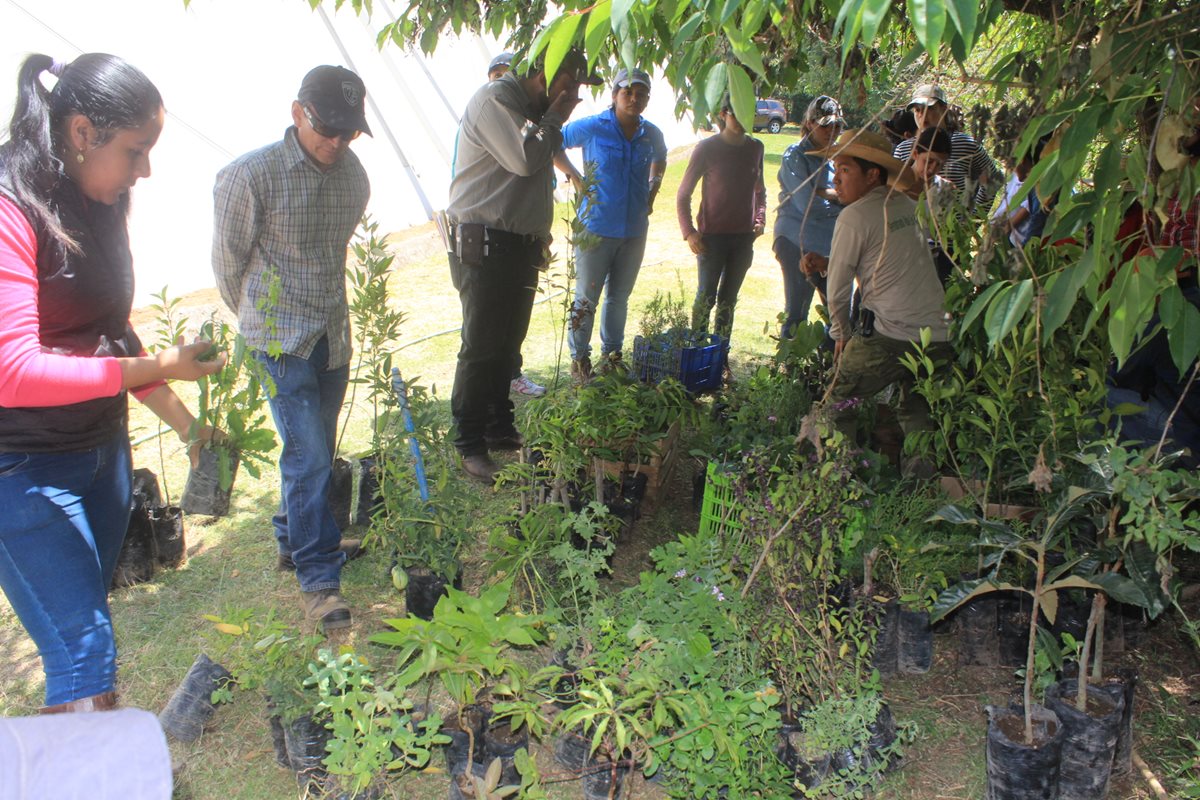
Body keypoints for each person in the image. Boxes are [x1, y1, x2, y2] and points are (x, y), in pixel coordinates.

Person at [0, 53, 223, 712]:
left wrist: (185, 422)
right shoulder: (12, 207)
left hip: (102, 457)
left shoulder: (103, 198)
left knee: (77, 644)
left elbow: (109, 327)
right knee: (87, 655)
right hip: (23, 471)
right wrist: (160, 367)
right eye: (135, 151)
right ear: (78, 134)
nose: (144, 170)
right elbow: (13, 372)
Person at [213, 65, 371, 631]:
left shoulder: (355, 179)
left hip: (331, 334)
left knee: (318, 449)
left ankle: (291, 537)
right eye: (327, 129)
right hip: (278, 341)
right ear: (297, 112)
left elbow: (334, 253)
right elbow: (228, 266)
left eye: (349, 133)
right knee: (306, 454)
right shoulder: (248, 177)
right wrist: (259, 324)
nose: (337, 143)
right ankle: (317, 577)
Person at [447, 49, 598, 482]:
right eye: (567, 85)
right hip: (485, 244)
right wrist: (555, 116)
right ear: (543, 75)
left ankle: (497, 425)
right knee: (481, 347)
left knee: (507, 345)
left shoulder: (531, 111)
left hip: (518, 244)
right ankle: (469, 442)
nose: (572, 95)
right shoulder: (497, 100)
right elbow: (525, 159)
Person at [802, 130, 952, 461]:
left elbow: (838, 289)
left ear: (872, 175)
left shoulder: (853, 216)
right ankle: (919, 490)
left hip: (891, 333)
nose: (837, 179)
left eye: (846, 170)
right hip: (939, 333)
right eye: (836, 170)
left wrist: (840, 334)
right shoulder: (907, 205)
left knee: (834, 402)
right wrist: (827, 263)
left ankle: (838, 481)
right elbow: (888, 259)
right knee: (919, 416)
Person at [555, 67, 668, 381]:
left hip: (634, 231)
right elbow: (553, 141)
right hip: (595, 229)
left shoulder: (651, 133)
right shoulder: (594, 127)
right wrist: (575, 177)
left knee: (619, 297)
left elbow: (661, 156)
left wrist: (654, 187)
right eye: (627, 92)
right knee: (586, 298)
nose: (634, 99)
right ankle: (580, 362)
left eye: (641, 93)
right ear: (614, 94)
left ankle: (612, 357)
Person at [483, 52, 548, 399]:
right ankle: (487, 401)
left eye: (508, 75)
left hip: (521, 237)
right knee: (485, 330)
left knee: (514, 322)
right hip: (487, 238)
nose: (502, 82)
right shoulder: (483, 113)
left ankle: (511, 376)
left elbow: (536, 175)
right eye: (497, 75)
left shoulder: (525, 124)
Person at [675, 99, 766, 341]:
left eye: (750, 113)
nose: (744, 119)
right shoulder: (706, 148)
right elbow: (683, 194)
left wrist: (760, 218)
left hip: (744, 239)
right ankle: (696, 351)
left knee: (728, 301)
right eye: (738, 113)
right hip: (711, 239)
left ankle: (720, 355)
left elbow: (760, 190)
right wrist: (689, 232)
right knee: (706, 297)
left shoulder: (756, 147)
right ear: (724, 114)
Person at [772, 95, 845, 336]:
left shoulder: (837, 156)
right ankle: (789, 369)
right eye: (825, 124)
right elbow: (807, 205)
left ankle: (825, 370)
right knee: (796, 313)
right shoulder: (795, 155)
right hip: (796, 241)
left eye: (837, 125)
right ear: (811, 123)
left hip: (830, 247)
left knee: (839, 315)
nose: (832, 130)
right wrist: (839, 196)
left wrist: (825, 192)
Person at [893, 84, 1001, 213]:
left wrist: (973, 219)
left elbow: (993, 179)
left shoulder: (965, 144)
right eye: (917, 110)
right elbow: (893, 188)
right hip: (914, 226)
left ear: (943, 109)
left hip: (952, 228)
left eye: (929, 108)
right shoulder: (903, 149)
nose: (922, 115)